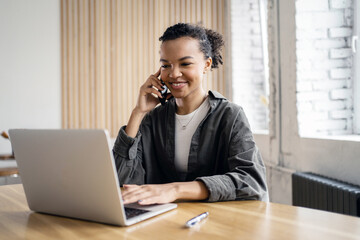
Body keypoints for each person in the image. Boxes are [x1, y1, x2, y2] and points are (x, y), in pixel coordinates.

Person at [113, 23, 269, 205]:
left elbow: (251, 181)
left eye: (185, 63)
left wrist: (175, 189)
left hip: (215, 222)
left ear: (206, 64)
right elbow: (122, 180)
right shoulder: (153, 119)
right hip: (164, 221)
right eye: (166, 65)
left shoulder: (230, 116)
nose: (174, 73)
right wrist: (138, 112)